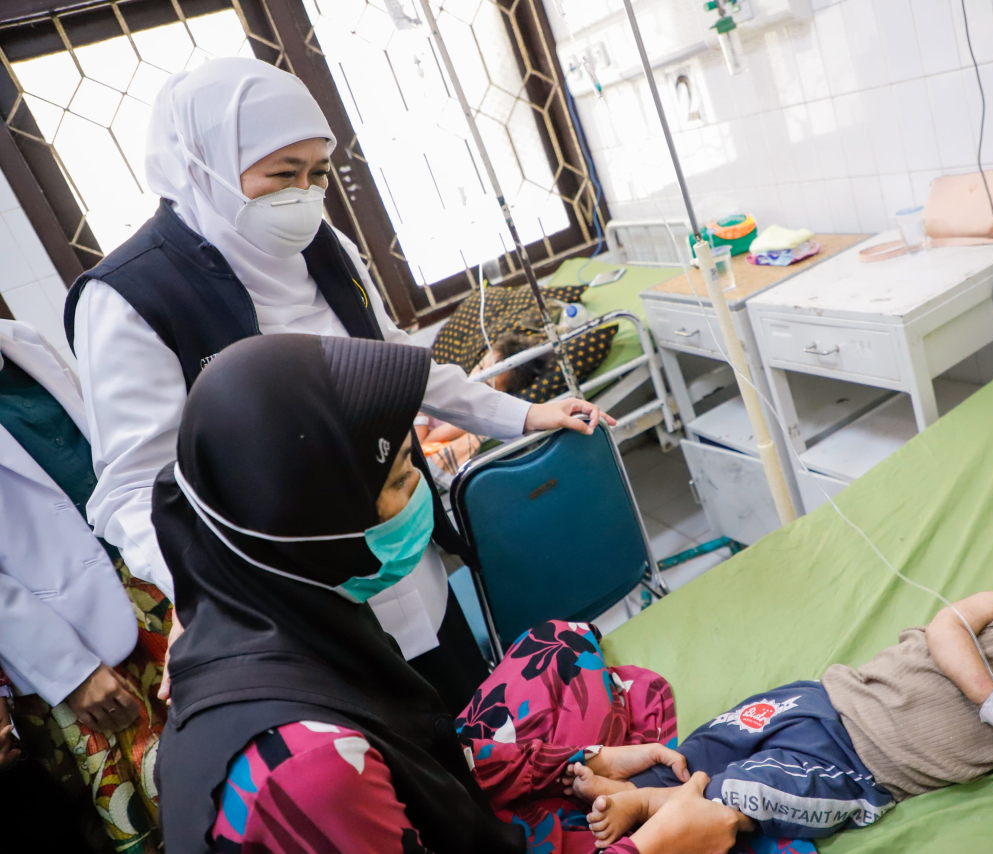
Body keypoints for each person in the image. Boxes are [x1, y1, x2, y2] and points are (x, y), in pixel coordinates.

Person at [64, 56, 606, 712]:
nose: (304, 195)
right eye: (282, 175)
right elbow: (131, 489)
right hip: (295, 606)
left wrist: (519, 414)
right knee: (399, 774)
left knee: (470, 725)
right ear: (198, 164)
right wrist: (201, 596)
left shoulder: (324, 244)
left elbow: (397, 361)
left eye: (317, 173)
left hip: (402, 557)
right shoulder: (131, 298)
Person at [154, 333, 741, 854]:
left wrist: (577, 762)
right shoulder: (309, 771)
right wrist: (662, 846)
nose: (419, 500)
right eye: (403, 479)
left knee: (554, 645)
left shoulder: (296, 620)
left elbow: (417, 750)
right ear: (315, 521)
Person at [567, 549, 993, 854]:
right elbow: (945, 634)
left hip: (857, 772)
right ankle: (642, 791)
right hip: (821, 701)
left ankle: (655, 812)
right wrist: (991, 699)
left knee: (764, 788)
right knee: (708, 746)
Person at [0, 319, 173, 853]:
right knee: (159, 805)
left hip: (151, 587)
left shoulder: (22, 341)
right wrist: (70, 673)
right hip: (71, 645)